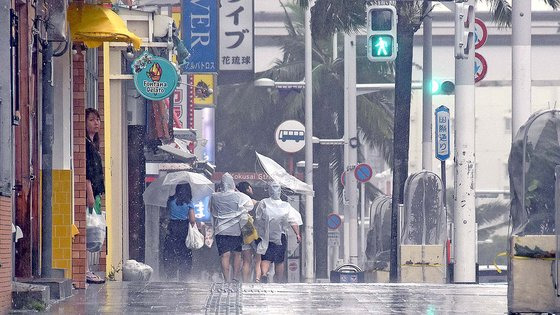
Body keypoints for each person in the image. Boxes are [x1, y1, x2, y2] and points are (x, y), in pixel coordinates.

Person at [255, 182, 302, 283]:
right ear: (280, 192)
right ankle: (279, 280)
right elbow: (293, 221)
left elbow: (258, 218)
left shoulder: (263, 202)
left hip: (266, 236)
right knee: (279, 260)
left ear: (269, 191)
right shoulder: (286, 206)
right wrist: (297, 234)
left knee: (266, 257)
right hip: (280, 236)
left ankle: (263, 274)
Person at [210, 173, 253, 282]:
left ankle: (226, 279)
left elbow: (211, 209)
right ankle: (235, 278)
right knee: (237, 254)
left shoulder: (215, 196)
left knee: (225, 256)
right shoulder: (239, 196)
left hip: (221, 230)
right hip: (235, 230)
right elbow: (250, 206)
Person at [85, 108, 105, 284]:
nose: (96, 123)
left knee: (92, 231)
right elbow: (87, 173)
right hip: (90, 196)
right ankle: (85, 270)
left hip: (96, 194)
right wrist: (90, 194)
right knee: (87, 230)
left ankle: (87, 269)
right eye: (92, 120)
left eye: (98, 120)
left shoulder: (93, 145)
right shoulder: (86, 146)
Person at [162, 183, 196, 281]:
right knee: (184, 252)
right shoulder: (189, 202)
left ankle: (171, 274)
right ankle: (183, 275)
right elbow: (192, 220)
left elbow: (166, 213)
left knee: (170, 251)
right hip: (183, 228)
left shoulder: (171, 200)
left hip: (172, 227)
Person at [236, 181, 261, 282]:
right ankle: (257, 279)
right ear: (248, 189)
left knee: (246, 260)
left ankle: (245, 282)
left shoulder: (238, 203)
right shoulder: (256, 203)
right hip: (256, 234)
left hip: (243, 232)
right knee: (258, 259)